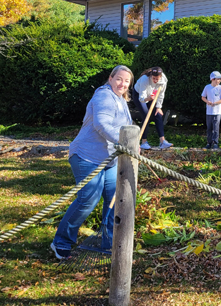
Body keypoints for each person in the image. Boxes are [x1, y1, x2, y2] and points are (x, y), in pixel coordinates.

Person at [51, 65, 134, 260]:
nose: (122, 84)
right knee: (88, 199)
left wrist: (133, 143)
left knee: (115, 199)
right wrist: (125, 142)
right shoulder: (104, 96)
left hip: (110, 159)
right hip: (87, 156)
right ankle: (61, 242)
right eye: (119, 79)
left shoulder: (121, 100)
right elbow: (101, 124)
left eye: (126, 81)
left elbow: (126, 127)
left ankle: (109, 242)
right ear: (110, 78)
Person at [132, 66, 173, 150]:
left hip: (152, 95)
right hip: (140, 95)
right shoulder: (145, 79)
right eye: (153, 78)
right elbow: (141, 98)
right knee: (146, 115)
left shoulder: (163, 80)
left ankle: (162, 141)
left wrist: (158, 107)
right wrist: (148, 99)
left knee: (157, 114)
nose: (155, 81)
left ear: (160, 77)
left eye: (157, 79)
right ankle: (144, 142)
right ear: (151, 76)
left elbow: (161, 94)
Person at [202, 71, 221, 149]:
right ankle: (209, 143)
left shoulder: (220, 88)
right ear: (212, 79)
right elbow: (203, 97)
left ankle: (215, 143)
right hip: (209, 111)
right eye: (217, 79)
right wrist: (207, 102)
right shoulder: (207, 87)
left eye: (220, 79)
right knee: (209, 127)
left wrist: (216, 103)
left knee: (216, 128)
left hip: (217, 111)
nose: (219, 81)